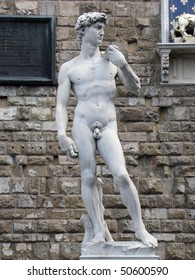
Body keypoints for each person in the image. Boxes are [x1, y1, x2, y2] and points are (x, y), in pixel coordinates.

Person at [56, 12, 158, 248]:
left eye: (103, 28)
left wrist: (124, 63)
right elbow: (61, 105)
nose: (102, 32)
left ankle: (140, 229)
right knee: (89, 177)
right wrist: (61, 134)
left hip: (108, 124)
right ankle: (99, 230)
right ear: (84, 31)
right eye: (98, 27)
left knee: (121, 175)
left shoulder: (112, 60)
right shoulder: (69, 68)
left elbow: (135, 88)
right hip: (82, 123)